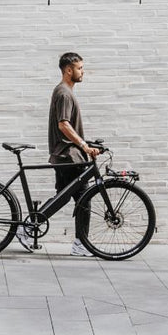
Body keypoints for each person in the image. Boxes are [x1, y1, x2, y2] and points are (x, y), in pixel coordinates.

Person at [49, 51, 101, 257]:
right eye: (79, 68)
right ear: (68, 70)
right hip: (69, 156)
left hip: (66, 155)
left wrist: (87, 143)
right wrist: (83, 146)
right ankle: (81, 243)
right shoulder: (64, 93)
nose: (83, 72)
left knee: (61, 197)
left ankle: (27, 227)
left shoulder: (64, 91)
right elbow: (63, 125)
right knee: (84, 198)